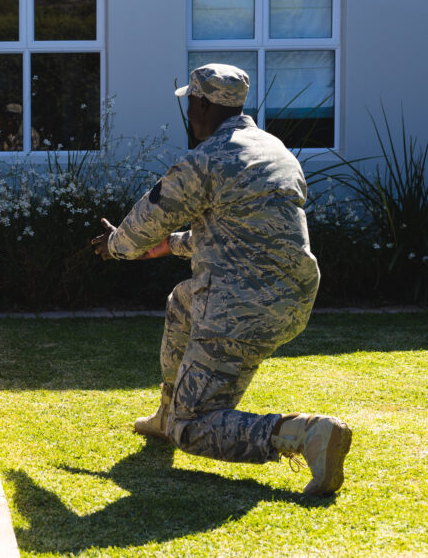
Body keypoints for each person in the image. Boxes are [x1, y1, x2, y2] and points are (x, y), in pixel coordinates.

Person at [91, 63, 351, 496]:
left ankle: (306, 434)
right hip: (291, 299)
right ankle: (166, 412)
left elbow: (140, 227)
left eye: (191, 104)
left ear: (202, 103)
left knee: (192, 428)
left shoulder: (206, 160)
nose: (190, 115)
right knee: (183, 300)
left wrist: (115, 245)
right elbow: (240, 233)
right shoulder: (275, 151)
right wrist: (170, 246)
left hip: (239, 307)